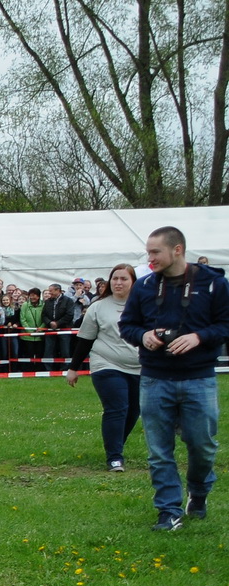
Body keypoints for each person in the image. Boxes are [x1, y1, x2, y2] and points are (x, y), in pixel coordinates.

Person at [119, 226, 229, 530]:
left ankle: (199, 489)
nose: (149, 258)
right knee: (159, 450)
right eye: (148, 251)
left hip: (199, 378)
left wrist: (199, 337)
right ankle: (169, 510)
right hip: (155, 378)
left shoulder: (213, 283)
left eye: (156, 252)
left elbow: (225, 325)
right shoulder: (144, 287)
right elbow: (127, 326)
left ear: (177, 249)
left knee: (202, 445)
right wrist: (144, 336)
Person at [68, 263, 142, 471]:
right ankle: (115, 457)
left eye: (124, 279)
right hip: (106, 363)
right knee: (117, 408)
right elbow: (85, 340)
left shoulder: (144, 306)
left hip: (138, 367)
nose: (118, 282)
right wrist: (73, 368)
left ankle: (115, 443)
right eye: (115, 278)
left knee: (133, 411)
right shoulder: (98, 307)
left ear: (133, 282)